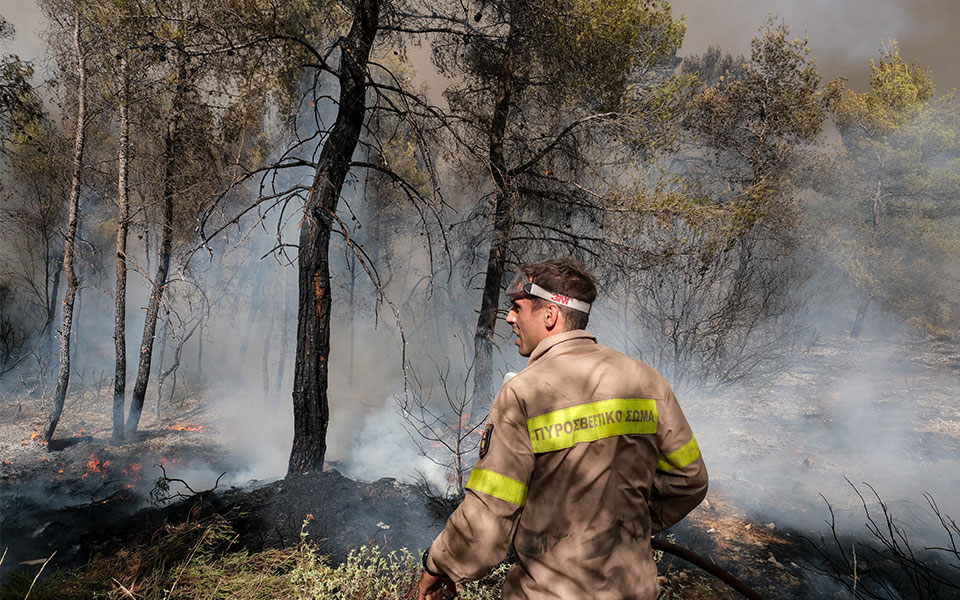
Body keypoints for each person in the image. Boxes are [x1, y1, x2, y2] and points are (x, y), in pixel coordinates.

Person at [417, 257, 708, 600]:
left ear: (550, 315)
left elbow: (488, 519)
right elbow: (690, 480)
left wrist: (436, 566)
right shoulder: (646, 380)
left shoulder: (523, 393)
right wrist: (627, 524)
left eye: (517, 308)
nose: (509, 317)